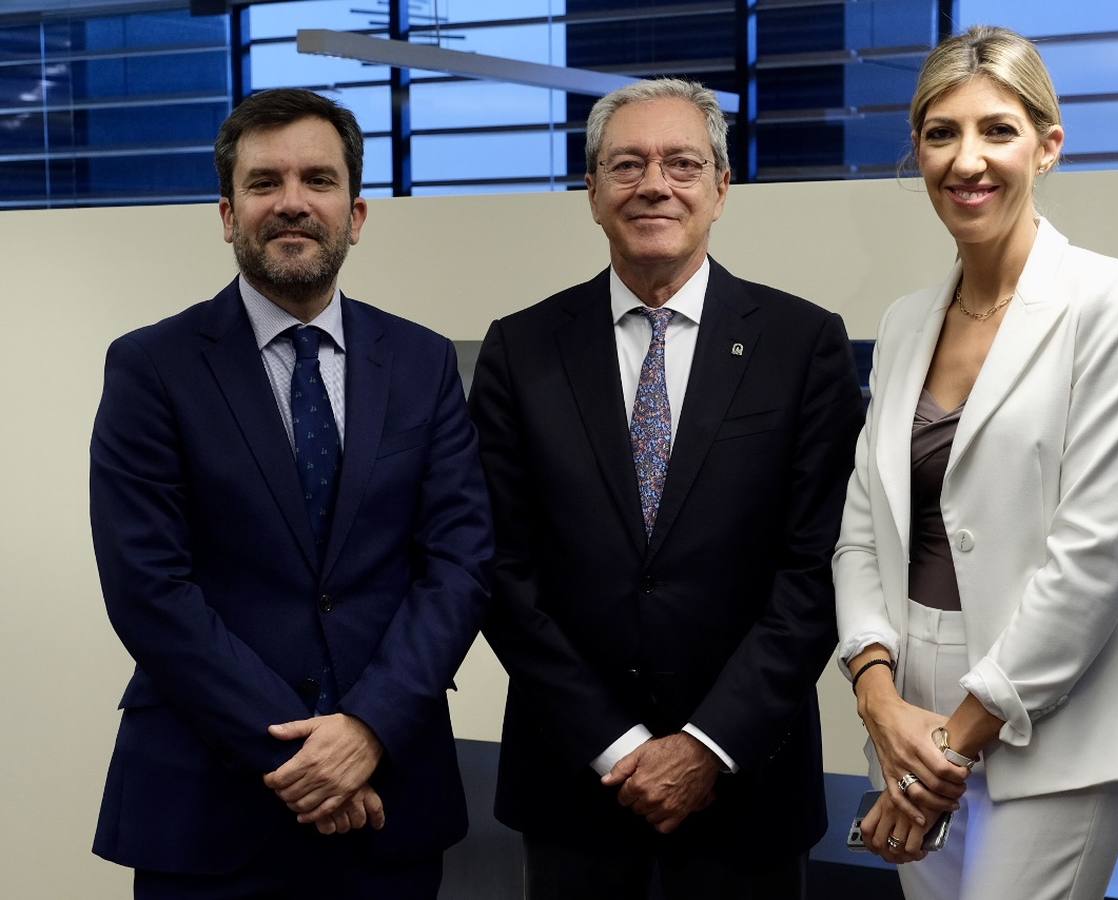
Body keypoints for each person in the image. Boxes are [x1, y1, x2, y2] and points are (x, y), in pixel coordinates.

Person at [89, 88, 493, 899]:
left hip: (390, 800)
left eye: (318, 179)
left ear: (357, 210)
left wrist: (369, 727)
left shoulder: (420, 363)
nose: (293, 203)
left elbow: (459, 564)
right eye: (264, 183)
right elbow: (149, 588)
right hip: (205, 804)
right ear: (228, 213)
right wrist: (303, 758)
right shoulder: (152, 367)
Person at [469, 77, 864, 899]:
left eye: (683, 163)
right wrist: (616, 745)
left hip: (747, 783)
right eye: (627, 164)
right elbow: (501, 571)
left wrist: (707, 745)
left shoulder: (803, 345)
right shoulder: (520, 350)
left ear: (721, 188)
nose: (655, 184)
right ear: (592, 192)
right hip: (576, 783)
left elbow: (817, 569)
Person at [833, 26, 1118, 900]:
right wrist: (881, 701)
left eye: (997, 130)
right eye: (941, 133)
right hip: (908, 711)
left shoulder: (1110, 300)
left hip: (1049, 723)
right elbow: (862, 534)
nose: (966, 160)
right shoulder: (907, 321)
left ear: (1048, 146)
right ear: (917, 151)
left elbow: (1094, 559)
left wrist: (953, 744)